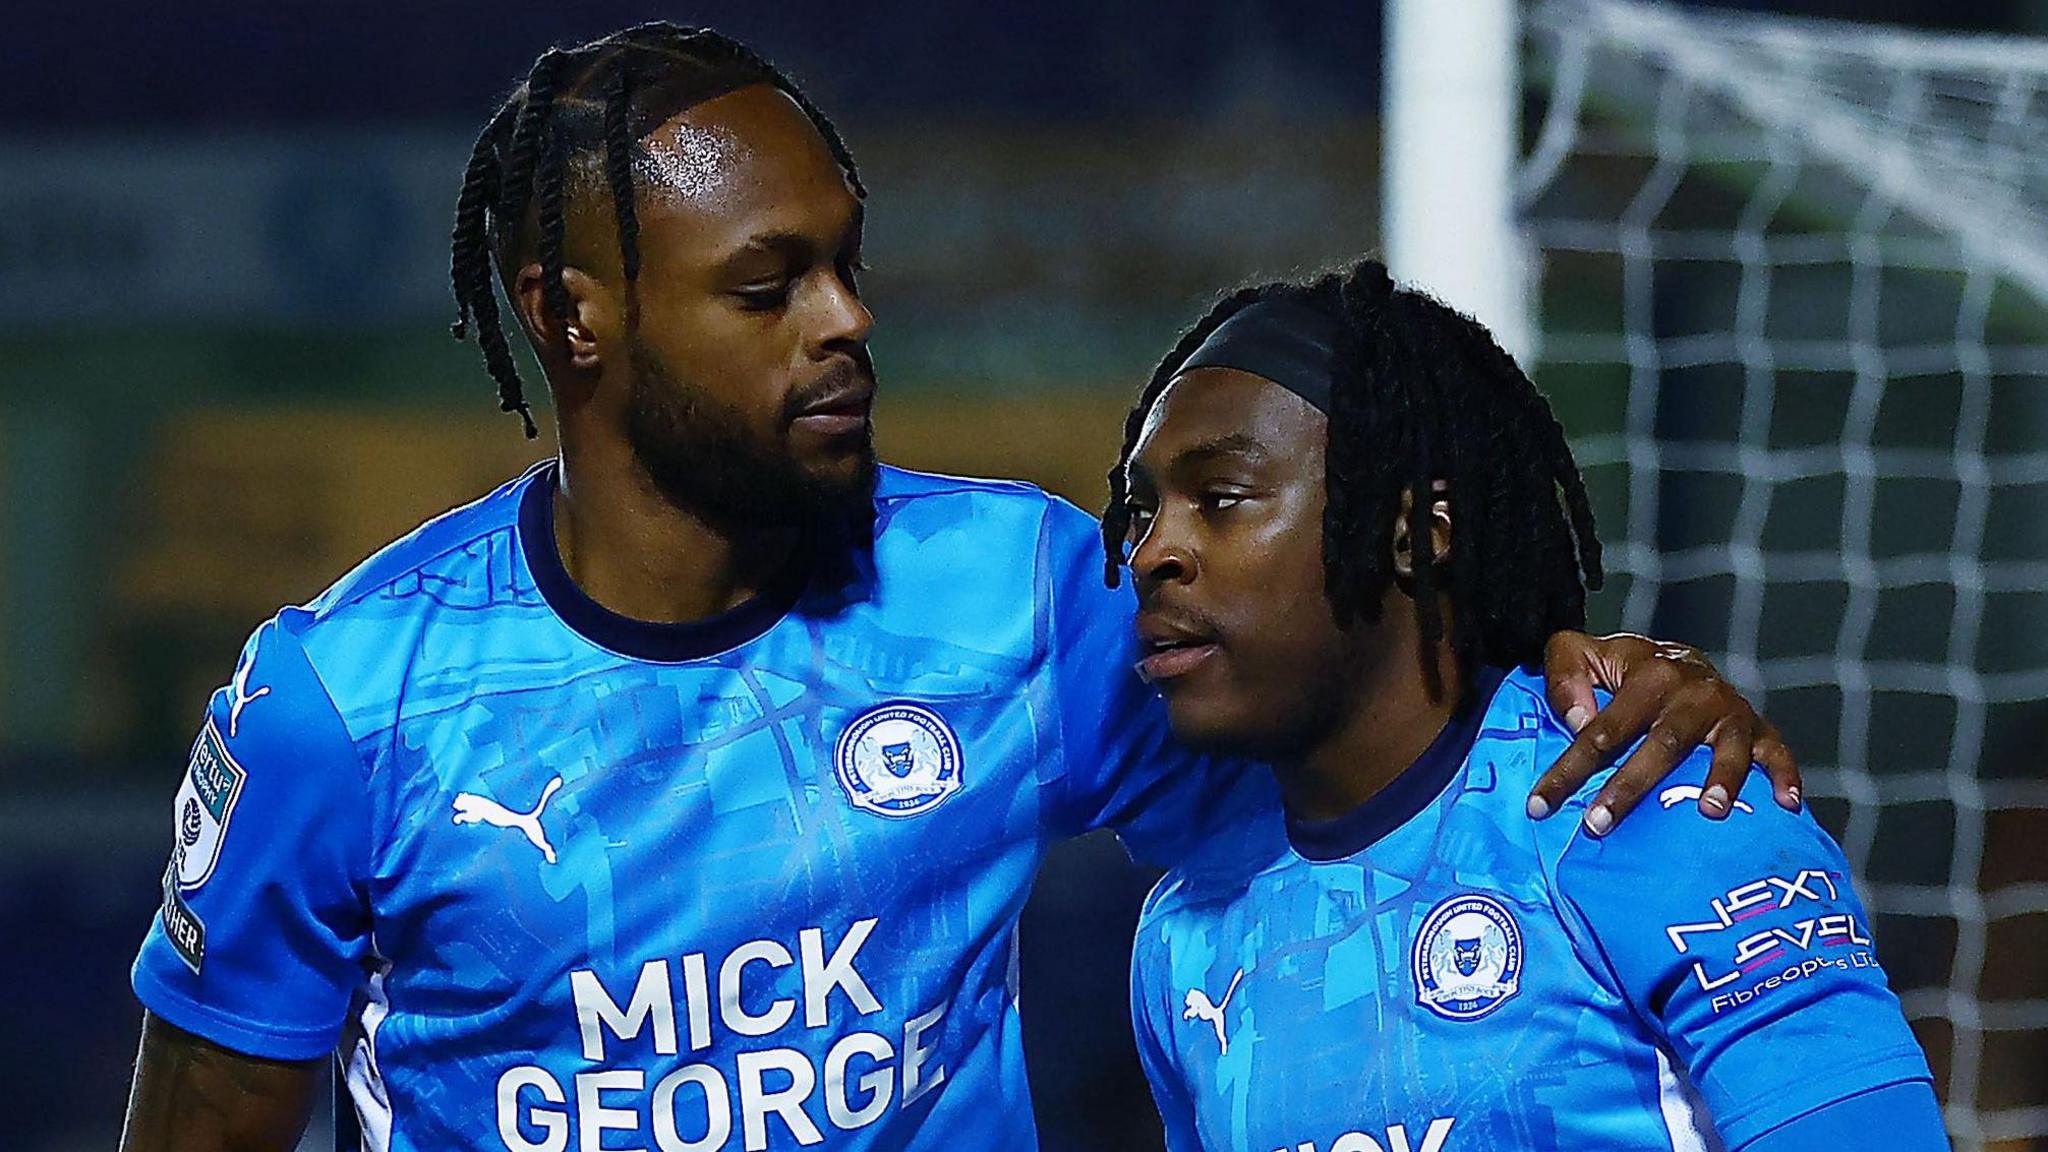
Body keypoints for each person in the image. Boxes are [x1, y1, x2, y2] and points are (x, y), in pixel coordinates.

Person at [120, 27, 1796, 1152]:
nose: (845, 320)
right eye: (767, 287)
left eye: (846, 262)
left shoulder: (1016, 590)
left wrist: (1583, 697)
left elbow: (1375, 778)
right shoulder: (346, 703)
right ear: (574, 318)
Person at [1116, 259, 1945, 1151]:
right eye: (1141, 511)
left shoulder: (1654, 800)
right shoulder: (1184, 935)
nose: (1151, 552)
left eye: (1221, 499)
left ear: (1413, 539)